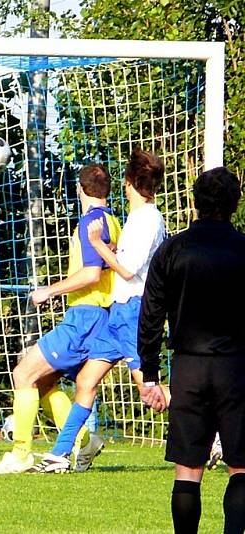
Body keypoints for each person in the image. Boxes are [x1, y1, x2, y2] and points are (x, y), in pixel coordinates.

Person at [29, 148, 168, 473]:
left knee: (150, 390)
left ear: (129, 181)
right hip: (117, 314)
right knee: (86, 381)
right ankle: (61, 455)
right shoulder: (136, 218)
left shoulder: (147, 218)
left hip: (135, 314)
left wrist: (99, 245)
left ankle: (215, 432)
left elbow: (128, 270)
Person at [0, 164, 121, 474]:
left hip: (85, 318)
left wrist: (49, 291)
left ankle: (21, 454)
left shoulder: (90, 222)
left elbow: (90, 274)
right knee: (44, 383)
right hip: (100, 318)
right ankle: (83, 441)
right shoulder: (111, 220)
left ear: (80, 189)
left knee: (23, 374)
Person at [138, 166, 245, 534]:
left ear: (195, 202)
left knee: (187, 469)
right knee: (242, 466)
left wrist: (150, 375)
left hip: (188, 369)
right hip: (237, 368)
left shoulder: (172, 251)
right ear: (235, 203)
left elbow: (150, 316)